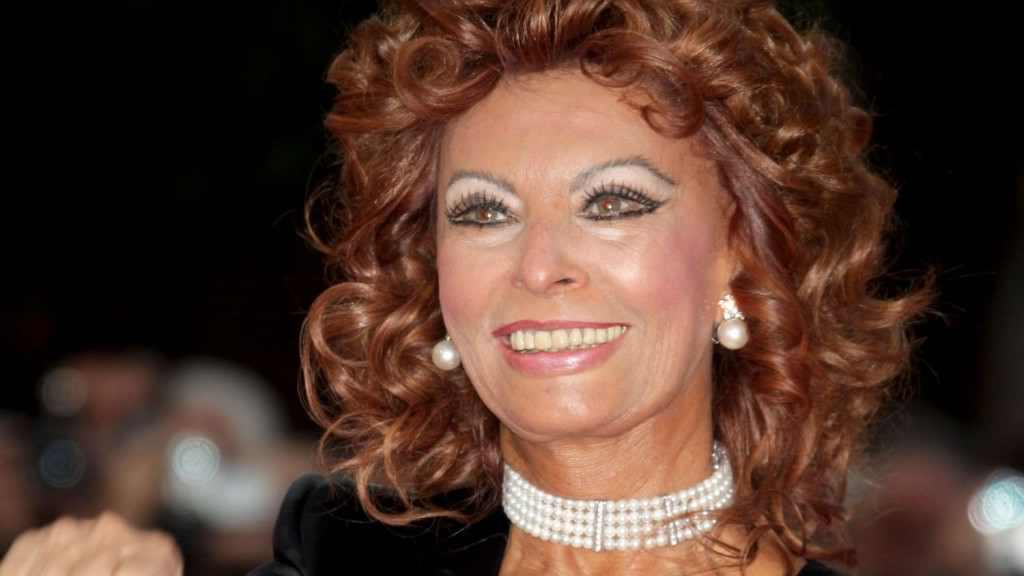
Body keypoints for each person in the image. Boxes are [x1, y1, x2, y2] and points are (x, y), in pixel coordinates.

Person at [1, 1, 932, 575]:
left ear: (741, 252)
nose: (538, 265)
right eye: (484, 213)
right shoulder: (340, 557)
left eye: (613, 202)